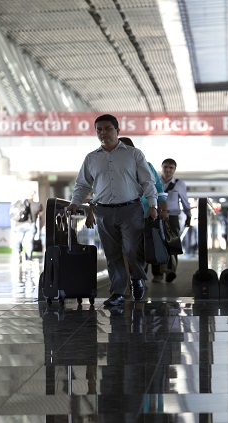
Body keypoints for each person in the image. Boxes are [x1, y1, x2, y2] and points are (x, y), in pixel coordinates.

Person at [66, 114, 158, 306]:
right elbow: (82, 184)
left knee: (132, 250)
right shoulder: (91, 158)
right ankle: (118, 292)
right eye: (99, 129)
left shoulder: (134, 154)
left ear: (118, 131)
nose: (103, 133)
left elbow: (147, 181)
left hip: (130, 209)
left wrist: (153, 205)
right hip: (104, 212)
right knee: (113, 254)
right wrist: (75, 202)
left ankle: (135, 278)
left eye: (107, 128)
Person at [86, 137, 168, 291]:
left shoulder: (145, 165)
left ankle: (137, 278)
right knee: (117, 252)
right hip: (113, 212)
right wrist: (90, 211)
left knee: (134, 250)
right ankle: (121, 288)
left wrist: (159, 209)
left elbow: (157, 188)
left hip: (142, 213)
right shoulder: (106, 165)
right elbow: (99, 190)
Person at [160, 158, 191, 282]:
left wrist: (188, 215)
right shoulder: (155, 182)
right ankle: (158, 273)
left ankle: (171, 271)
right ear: (161, 167)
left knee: (173, 244)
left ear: (174, 169)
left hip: (172, 217)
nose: (167, 170)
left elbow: (184, 200)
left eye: (171, 167)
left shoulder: (179, 183)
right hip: (157, 216)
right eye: (165, 167)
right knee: (156, 244)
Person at [11, 190, 43, 263]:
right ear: (34, 195)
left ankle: (18, 254)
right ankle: (28, 257)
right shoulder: (37, 204)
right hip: (30, 225)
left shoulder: (19, 203)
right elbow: (40, 214)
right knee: (29, 242)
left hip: (19, 225)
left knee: (18, 240)